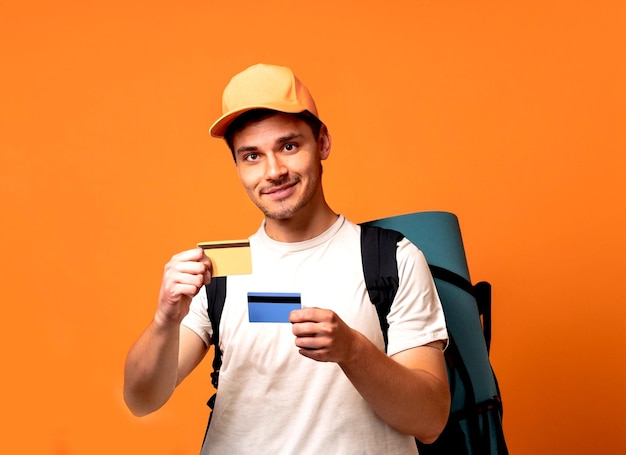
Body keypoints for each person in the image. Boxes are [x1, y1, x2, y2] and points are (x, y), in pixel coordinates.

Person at [124, 63, 451, 454]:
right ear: (238, 167)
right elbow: (141, 400)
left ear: (323, 143)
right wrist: (164, 320)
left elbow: (430, 421)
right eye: (251, 156)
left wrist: (353, 350)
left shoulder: (391, 258)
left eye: (289, 146)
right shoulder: (219, 270)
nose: (274, 171)